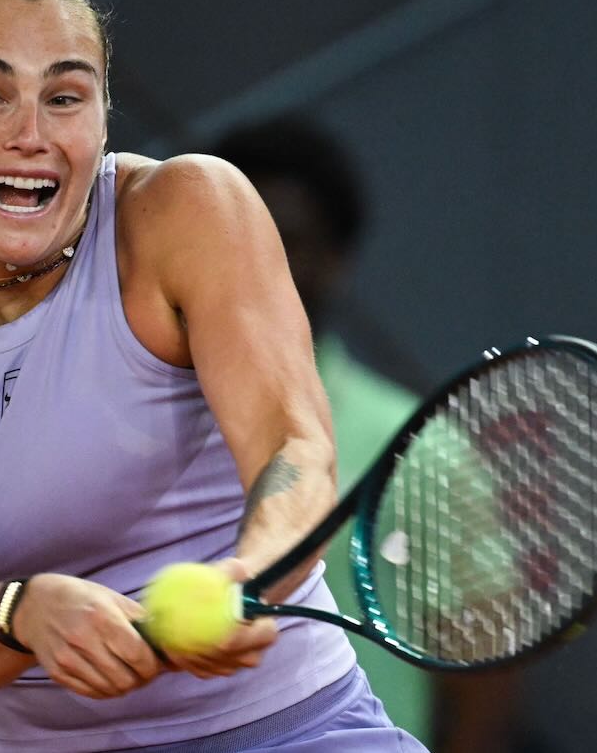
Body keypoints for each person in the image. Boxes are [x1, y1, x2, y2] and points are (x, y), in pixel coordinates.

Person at [0, 0, 425, 752]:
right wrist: (22, 611)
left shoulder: (190, 211)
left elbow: (293, 447)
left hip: (298, 731)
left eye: (65, 97)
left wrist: (252, 573)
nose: (30, 134)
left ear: (101, 115)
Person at [209, 115, 433, 748]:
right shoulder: (129, 425)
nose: (258, 264)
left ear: (335, 261)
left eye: (287, 241)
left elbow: (482, 662)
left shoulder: (420, 448)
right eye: (235, 236)